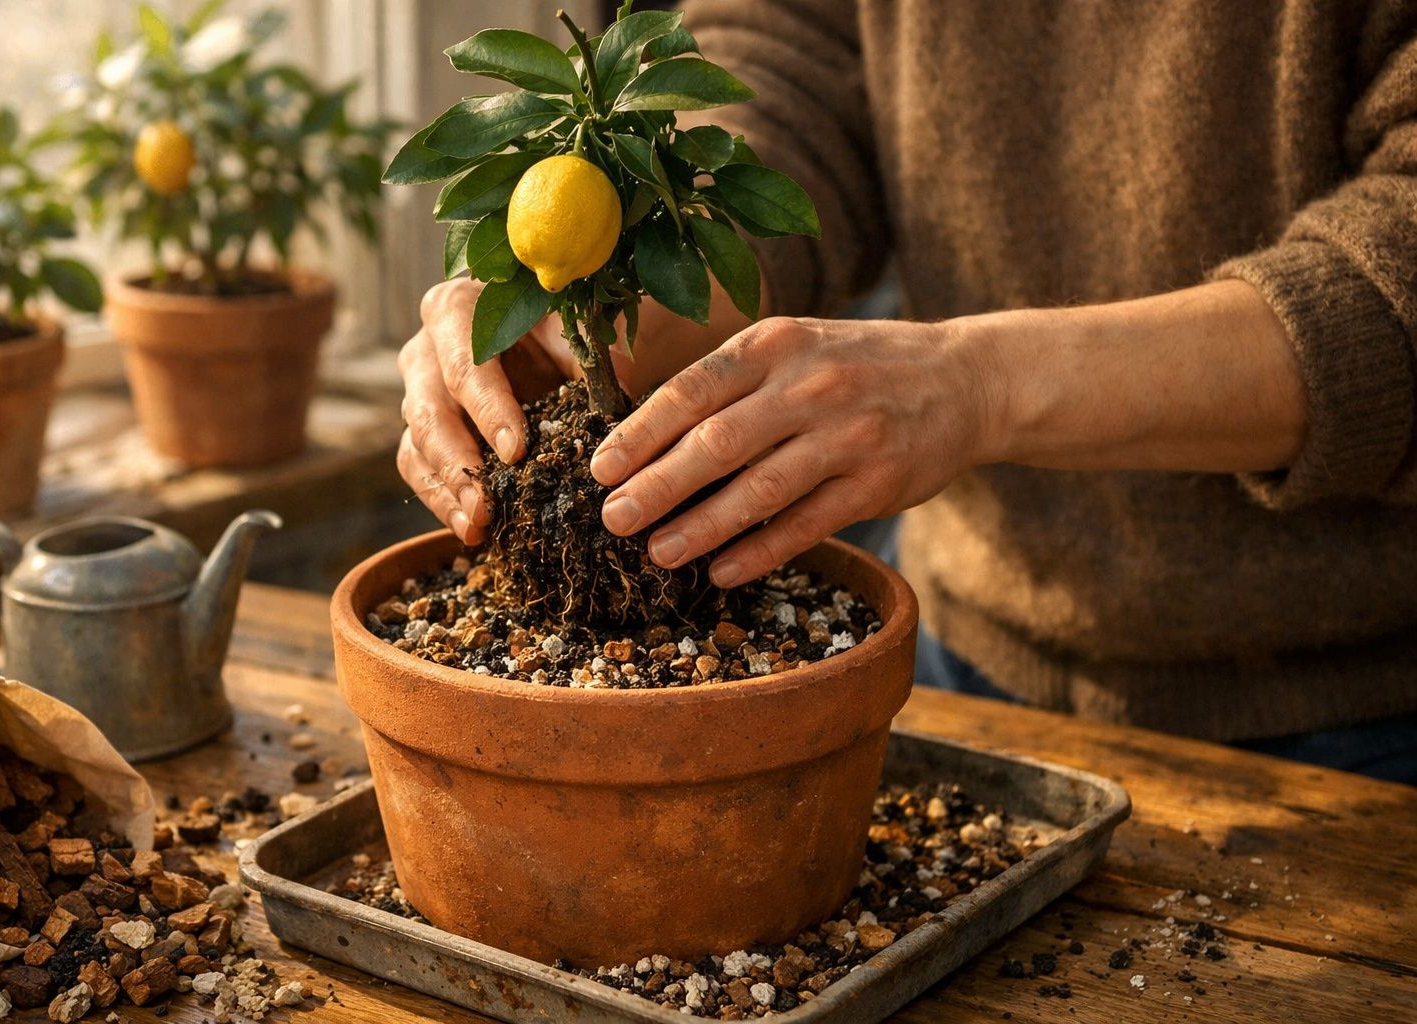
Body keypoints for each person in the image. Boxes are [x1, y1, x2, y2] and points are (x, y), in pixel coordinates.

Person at [396, 1, 1417, 784]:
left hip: (1359, 712)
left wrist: (978, 386)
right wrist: (626, 301)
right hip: (957, 659)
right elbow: (790, 61)